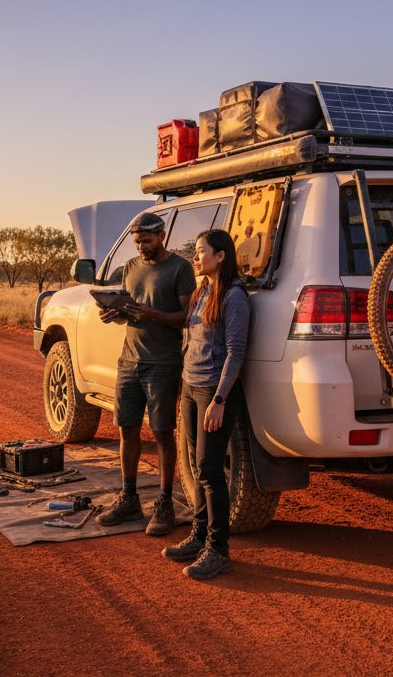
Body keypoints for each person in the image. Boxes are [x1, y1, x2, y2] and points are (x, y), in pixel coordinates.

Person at [96, 212, 195, 536]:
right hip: (129, 360)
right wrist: (115, 314)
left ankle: (165, 502)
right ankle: (129, 498)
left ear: (162, 236)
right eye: (137, 242)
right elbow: (130, 312)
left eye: (147, 241)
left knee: (163, 432)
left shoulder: (180, 268)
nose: (141, 248)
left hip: (163, 363)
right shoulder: (131, 268)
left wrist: (153, 314)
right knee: (126, 429)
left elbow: (186, 318)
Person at [162, 228, 248, 580]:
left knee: (210, 472)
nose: (195, 257)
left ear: (221, 256)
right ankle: (199, 537)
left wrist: (219, 400)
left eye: (200, 252)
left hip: (214, 391)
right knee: (198, 470)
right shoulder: (203, 291)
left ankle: (218, 549)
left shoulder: (234, 296)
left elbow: (235, 353)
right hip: (192, 387)